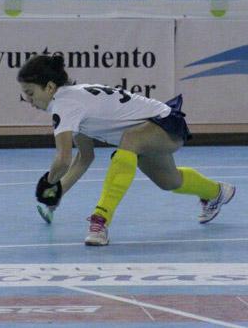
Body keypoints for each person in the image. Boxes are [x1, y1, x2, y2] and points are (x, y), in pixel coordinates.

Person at [17, 54, 236, 246]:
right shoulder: (72, 100)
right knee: (170, 182)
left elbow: (63, 160)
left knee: (129, 140)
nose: (28, 100)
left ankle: (100, 220)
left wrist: (48, 182)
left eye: (30, 93)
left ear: (49, 87)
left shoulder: (64, 105)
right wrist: (56, 195)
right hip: (150, 132)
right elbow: (85, 157)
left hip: (164, 123)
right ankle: (217, 192)